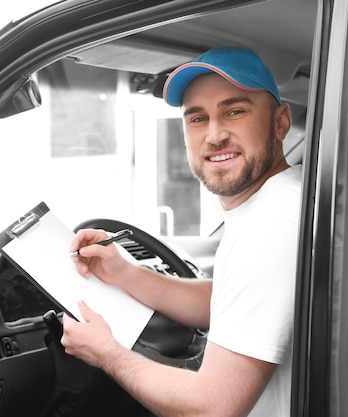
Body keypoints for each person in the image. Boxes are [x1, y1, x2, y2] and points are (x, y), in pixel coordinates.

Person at [61, 46, 302, 417]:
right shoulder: (282, 200)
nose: (215, 135)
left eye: (235, 111)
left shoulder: (270, 226)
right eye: (197, 118)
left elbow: (211, 408)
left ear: (281, 122)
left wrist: (106, 353)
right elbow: (228, 301)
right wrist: (126, 273)